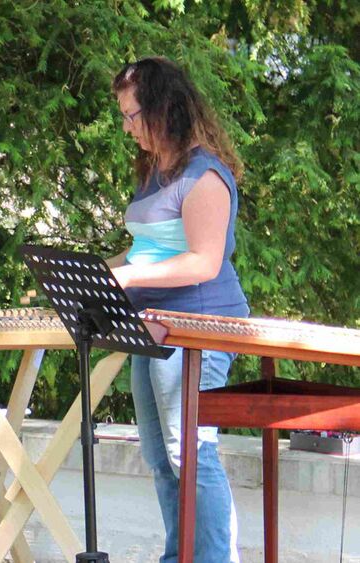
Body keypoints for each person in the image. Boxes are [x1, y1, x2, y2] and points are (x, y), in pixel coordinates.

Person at [108, 57, 249, 563]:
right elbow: (144, 252)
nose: (127, 128)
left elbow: (204, 262)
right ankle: (180, 556)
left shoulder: (203, 174)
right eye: (122, 116)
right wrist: (97, 277)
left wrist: (128, 277)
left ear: (163, 108)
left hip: (200, 328)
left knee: (189, 451)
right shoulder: (155, 173)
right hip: (154, 330)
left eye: (132, 115)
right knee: (160, 459)